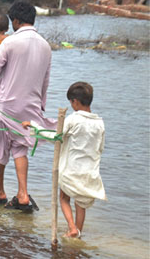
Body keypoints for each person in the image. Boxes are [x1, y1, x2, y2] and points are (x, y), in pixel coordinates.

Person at [0, 0, 55, 212]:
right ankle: (23, 194)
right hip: (30, 106)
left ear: (15, 20)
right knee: (20, 148)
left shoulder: (10, 42)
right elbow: (46, 80)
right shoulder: (45, 45)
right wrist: (40, 104)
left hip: (5, 105)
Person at [22, 82, 105, 238]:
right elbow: (100, 148)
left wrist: (34, 126)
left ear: (75, 102)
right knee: (81, 203)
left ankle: (72, 227)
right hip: (89, 170)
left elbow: (55, 136)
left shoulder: (73, 119)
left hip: (71, 169)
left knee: (64, 198)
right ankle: (78, 233)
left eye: (71, 102)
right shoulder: (99, 123)